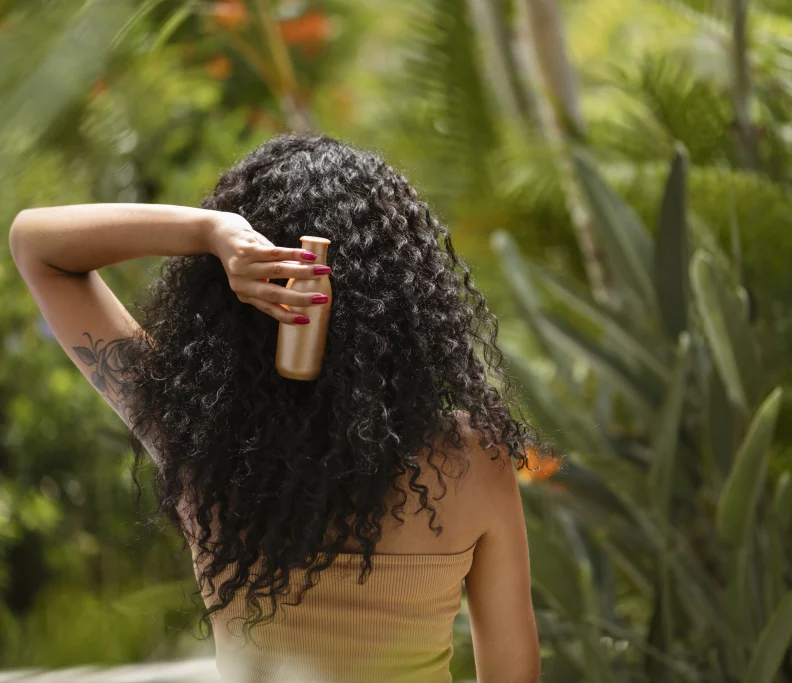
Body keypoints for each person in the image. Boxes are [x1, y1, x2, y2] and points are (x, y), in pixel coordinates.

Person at [8, 134, 541, 683]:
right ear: (405, 302)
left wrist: (211, 232)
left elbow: (36, 244)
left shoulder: (199, 443)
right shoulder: (474, 461)